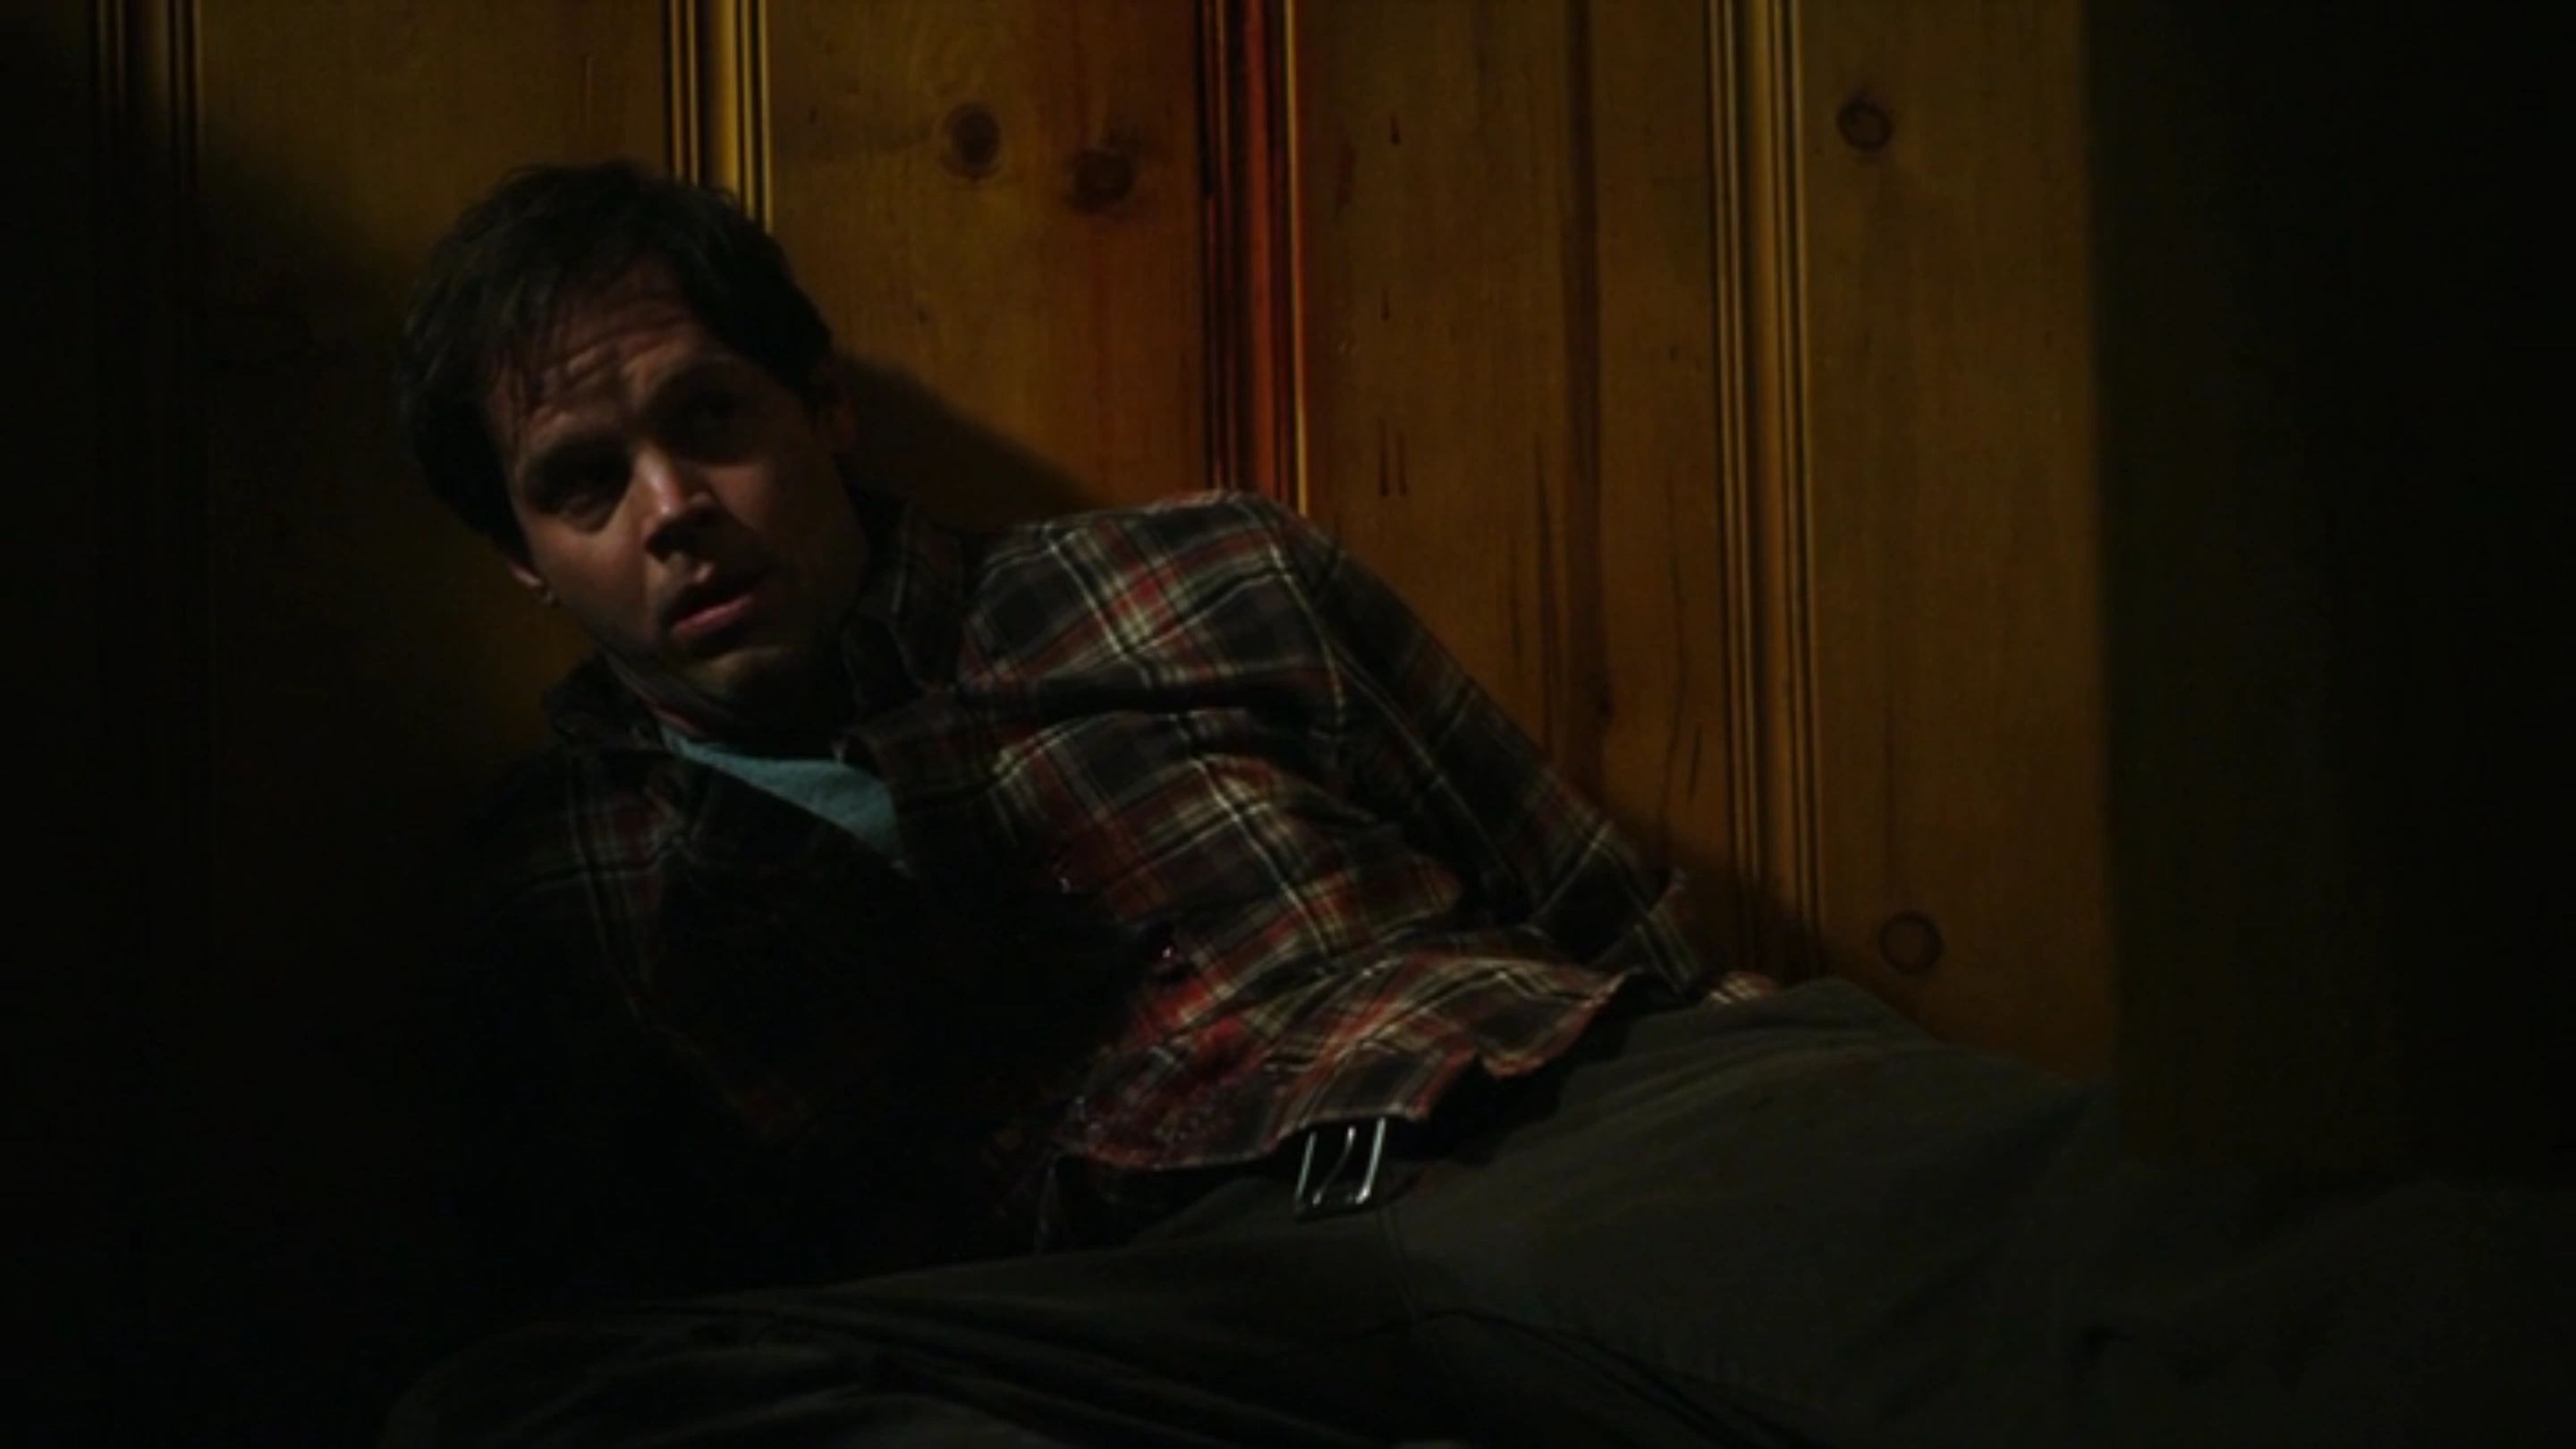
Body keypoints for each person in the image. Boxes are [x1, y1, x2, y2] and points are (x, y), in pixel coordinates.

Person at [383, 162, 2565, 1447]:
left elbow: (1602, 926)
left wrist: (1730, 1096)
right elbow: (647, 1282)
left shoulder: (1188, 580)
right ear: (526, 560)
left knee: (2207, 1258)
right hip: (1131, 1322)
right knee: (522, 1410)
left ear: (821, 410)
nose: (674, 507)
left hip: (1526, 1117)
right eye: (586, 483)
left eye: (711, 422)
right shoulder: (562, 886)